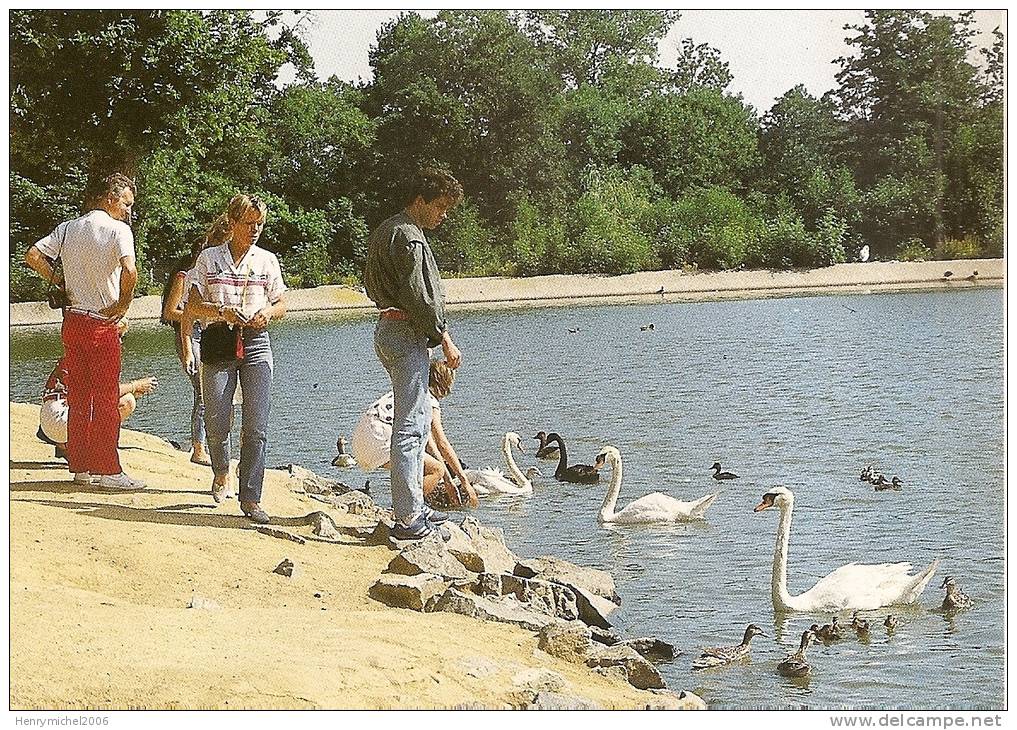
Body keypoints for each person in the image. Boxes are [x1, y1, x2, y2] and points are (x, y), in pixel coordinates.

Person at [363, 167, 465, 541]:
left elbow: (377, 285)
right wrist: (444, 338)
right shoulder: (408, 237)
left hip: (389, 329)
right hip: (406, 333)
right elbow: (419, 297)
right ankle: (408, 519)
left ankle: (415, 506)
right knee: (409, 427)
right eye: (439, 207)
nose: (444, 214)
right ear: (420, 201)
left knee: (418, 422)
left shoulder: (385, 230)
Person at [24, 172, 143, 490]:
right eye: (127, 203)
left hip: (72, 321)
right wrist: (122, 306)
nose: (129, 211)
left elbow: (32, 255)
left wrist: (60, 280)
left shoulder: (68, 228)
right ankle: (109, 470)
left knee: (78, 397)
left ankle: (80, 468)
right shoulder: (119, 230)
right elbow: (130, 271)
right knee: (105, 398)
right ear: (111, 198)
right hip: (101, 323)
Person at [182, 194, 287, 524]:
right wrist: (221, 311)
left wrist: (267, 314)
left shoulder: (267, 260)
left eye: (260, 224)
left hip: (256, 342)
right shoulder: (209, 259)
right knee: (217, 420)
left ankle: (251, 498)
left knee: (256, 424)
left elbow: (282, 303)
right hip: (218, 340)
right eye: (249, 223)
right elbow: (192, 306)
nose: (255, 229)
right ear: (233, 222)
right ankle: (221, 470)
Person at [352, 359, 478, 508]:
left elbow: (431, 446)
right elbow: (442, 443)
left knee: (424, 466)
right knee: (436, 470)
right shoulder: (428, 399)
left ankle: (407, 508)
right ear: (444, 382)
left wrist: (448, 480)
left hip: (362, 441)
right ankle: (409, 512)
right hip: (380, 439)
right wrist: (464, 482)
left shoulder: (407, 389)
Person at [161, 218, 231, 466]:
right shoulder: (185, 274)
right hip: (189, 336)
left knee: (210, 391)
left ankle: (206, 445)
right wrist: (199, 313)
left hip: (207, 334)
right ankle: (198, 448)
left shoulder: (211, 276)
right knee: (203, 391)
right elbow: (170, 311)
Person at [38, 347, 158, 465]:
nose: (121, 342)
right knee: (127, 402)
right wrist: (135, 385)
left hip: (50, 418)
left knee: (122, 398)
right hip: (62, 420)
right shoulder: (96, 358)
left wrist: (132, 389)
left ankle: (66, 446)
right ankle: (88, 452)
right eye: (119, 336)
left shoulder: (78, 353)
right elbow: (103, 394)